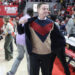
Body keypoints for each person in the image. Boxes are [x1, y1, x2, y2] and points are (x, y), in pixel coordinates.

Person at [18, 2, 70, 75]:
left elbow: (59, 37)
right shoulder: (31, 22)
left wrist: (61, 47)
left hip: (47, 55)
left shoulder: (52, 23)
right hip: (34, 54)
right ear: (38, 10)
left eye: (47, 9)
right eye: (43, 8)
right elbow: (20, 31)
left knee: (46, 73)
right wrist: (20, 23)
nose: (46, 10)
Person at [7, 8, 34, 75]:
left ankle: (11, 72)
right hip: (26, 41)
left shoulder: (22, 18)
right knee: (29, 59)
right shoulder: (30, 20)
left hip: (18, 40)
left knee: (19, 57)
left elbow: (18, 29)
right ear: (32, 13)